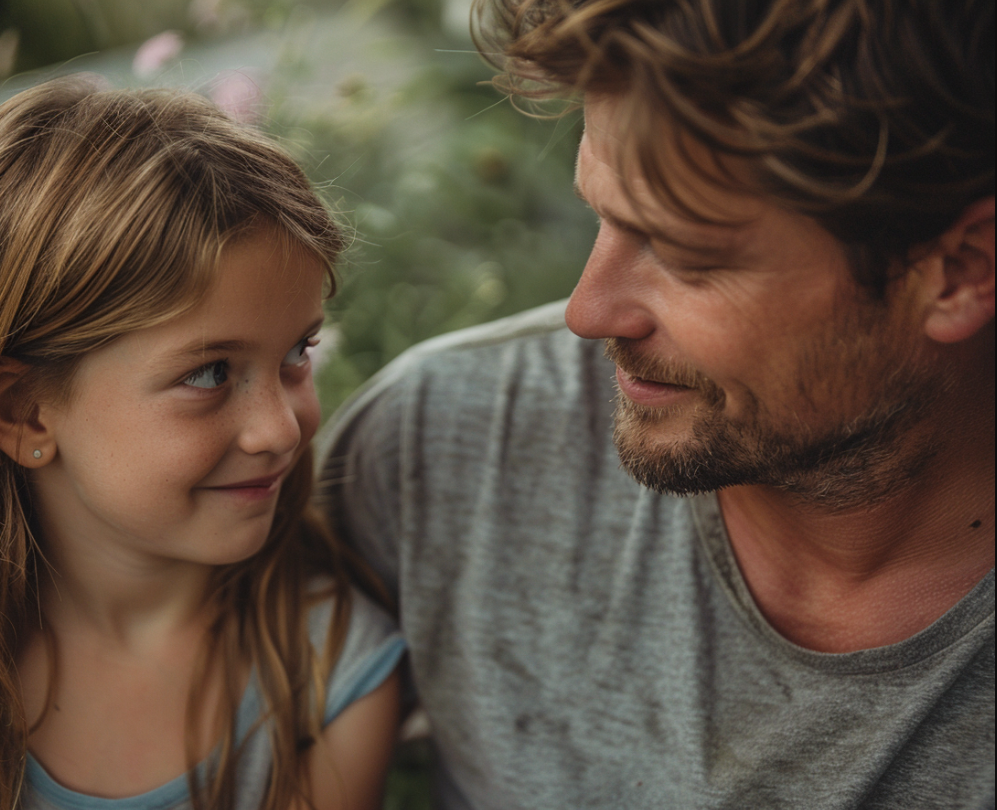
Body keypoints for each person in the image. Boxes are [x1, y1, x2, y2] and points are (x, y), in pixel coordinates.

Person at [318, 1, 994, 808]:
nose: (588, 312)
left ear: (958, 270)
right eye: (600, 216)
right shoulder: (447, 445)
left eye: (683, 253)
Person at [0, 77, 404, 810]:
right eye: (209, 373)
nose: (281, 428)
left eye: (296, 353)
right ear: (27, 414)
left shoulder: (325, 671)